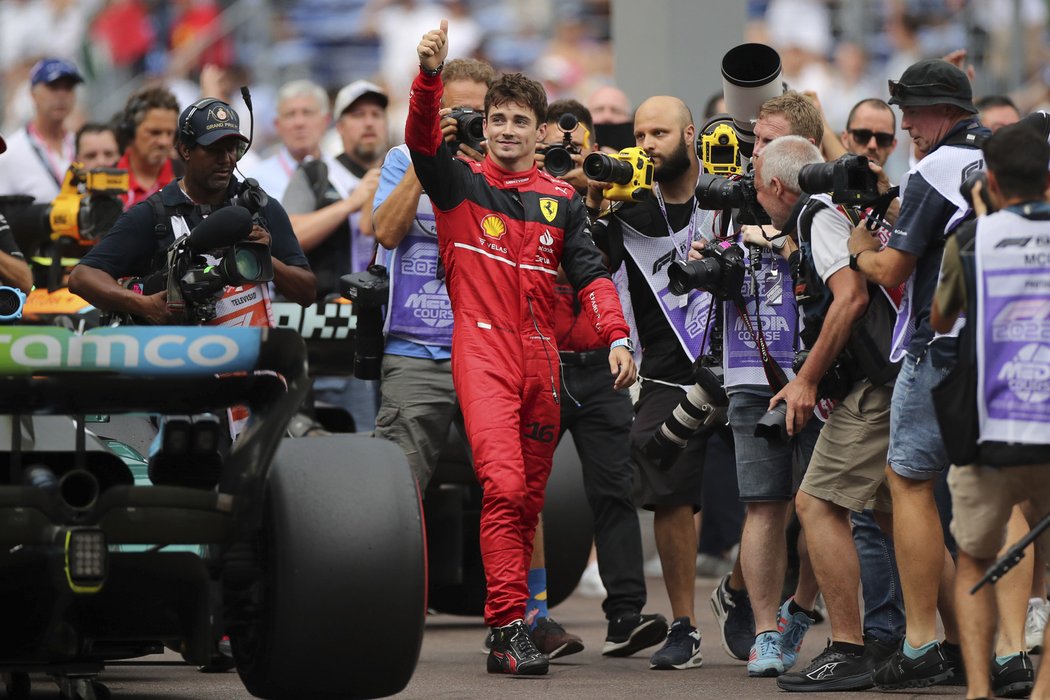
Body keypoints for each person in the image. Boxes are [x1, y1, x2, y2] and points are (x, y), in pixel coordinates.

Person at [408, 20, 636, 677]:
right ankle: (508, 626)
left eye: (518, 120)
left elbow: (592, 275)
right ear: (485, 126)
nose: (507, 130)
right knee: (503, 485)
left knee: (528, 502)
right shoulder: (456, 184)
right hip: (482, 350)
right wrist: (428, 79)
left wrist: (617, 336)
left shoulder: (563, 201)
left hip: (545, 359)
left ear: (541, 132)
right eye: (497, 119)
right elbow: (421, 140)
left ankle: (510, 624)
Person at [847, 58, 989, 689]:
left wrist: (859, 251)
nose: (906, 126)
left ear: (941, 112)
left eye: (910, 112)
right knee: (998, 493)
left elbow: (894, 270)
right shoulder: (1010, 152)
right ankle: (1004, 647)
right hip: (1006, 345)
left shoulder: (936, 167)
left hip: (942, 344)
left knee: (908, 484)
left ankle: (921, 637)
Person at [743, 135, 894, 692]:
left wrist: (806, 379)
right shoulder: (850, 205)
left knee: (815, 502)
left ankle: (849, 648)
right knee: (897, 519)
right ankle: (941, 648)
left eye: (756, 185)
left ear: (777, 187)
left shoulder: (817, 213)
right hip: (896, 372)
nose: (752, 196)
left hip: (876, 381)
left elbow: (851, 297)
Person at [589, 94, 725, 671]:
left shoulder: (725, 192)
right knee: (669, 493)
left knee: (792, 493)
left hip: (741, 362)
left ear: (690, 135)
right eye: (639, 134)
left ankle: (743, 594)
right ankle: (685, 626)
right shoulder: (628, 205)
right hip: (670, 371)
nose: (646, 145)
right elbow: (590, 268)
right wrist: (596, 203)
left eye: (660, 133)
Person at [538, 98, 669, 659]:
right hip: (540, 365)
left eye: (577, 147)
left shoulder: (611, 196)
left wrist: (594, 198)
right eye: (556, 148)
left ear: (593, 149)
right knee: (521, 495)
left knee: (616, 490)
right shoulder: (519, 199)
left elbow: (608, 264)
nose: (566, 156)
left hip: (600, 367)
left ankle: (625, 617)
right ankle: (527, 617)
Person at [702, 92, 824, 679]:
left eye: (768, 140)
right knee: (765, 505)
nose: (756, 152)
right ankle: (766, 632)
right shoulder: (727, 197)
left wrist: (778, 241)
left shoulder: (824, 199)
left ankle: (802, 609)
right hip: (751, 369)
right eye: (756, 140)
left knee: (825, 506)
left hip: (821, 371)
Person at [931, 121, 1049, 700]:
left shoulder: (972, 238)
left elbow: (937, 319)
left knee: (975, 557)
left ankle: (979, 689)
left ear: (992, 181)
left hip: (990, 429)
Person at [68, 98, 315, 323]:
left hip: (252, 362)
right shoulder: (153, 213)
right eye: (214, 149)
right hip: (181, 362)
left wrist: (261, 258)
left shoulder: (261, 207)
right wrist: (143, 305)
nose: (226, 159)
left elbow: (306, 293)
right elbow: (82, 277)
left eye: (233, 148)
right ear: (185, 150)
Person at [281, 80, 388, 433]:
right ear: (339, 126)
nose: (369, 122)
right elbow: (290, 237)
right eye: (357, 115)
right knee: (350, 436)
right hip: (335, 332)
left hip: (392, 328)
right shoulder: (316, 173)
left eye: (376, 114)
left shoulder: (403, 173)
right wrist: (351, 204)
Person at [0, 58, 82, 203]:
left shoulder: (81, 144)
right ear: (33, 94)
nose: (61, 95)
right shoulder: (10, 151)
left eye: (68, 87)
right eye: (53, 87)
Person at [244, 80, 331, 203]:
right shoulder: (254, 182)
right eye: (290, 115)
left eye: (307, 113)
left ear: (326, 121)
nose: (299, 123)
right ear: (277, 125)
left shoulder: (342, 175)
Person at [114, 86, 179, 208]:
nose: (164, 142)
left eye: (170, 133)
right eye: (155, 132)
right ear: (130, 132)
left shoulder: (186, 179)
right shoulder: (108, 181)